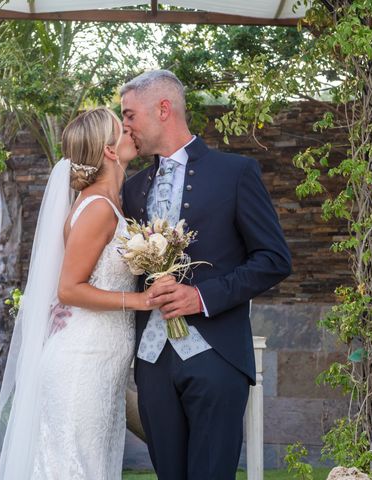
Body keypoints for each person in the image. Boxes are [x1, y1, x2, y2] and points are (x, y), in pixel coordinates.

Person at [121, 70, 292, 480]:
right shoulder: (131, 187)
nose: (124, 126)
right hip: (152, 362)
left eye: (129, 115)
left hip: (217, 356)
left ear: (163, 109)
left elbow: (274, 258)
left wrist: (202, 297)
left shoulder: (236, 172)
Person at [0, 107, 166, 479]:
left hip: (103, 359)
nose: (131, 132)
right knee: (73, 466)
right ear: (108, 149)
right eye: (123, 129)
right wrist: (138, 300)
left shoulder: (110, 205)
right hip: (82, 360)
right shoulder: (98, 208)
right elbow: (69, 288)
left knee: (92, 464)